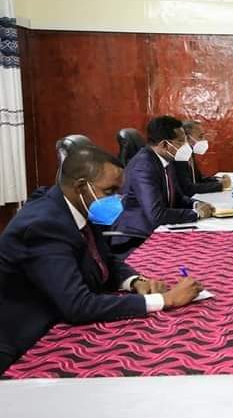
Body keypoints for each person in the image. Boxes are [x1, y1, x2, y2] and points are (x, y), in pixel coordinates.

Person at [0, 145, 203, 374]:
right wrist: (164, 300)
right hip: (26, 344)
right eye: (110, 191)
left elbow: (105, 259)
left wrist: (135, 281)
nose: (117, 199)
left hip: (60, 324)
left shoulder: (77, 206)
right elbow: (78, 305)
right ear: (80, 187)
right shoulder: (43, 226)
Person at [112, 115, 214, 254]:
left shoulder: (166, 160)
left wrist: (196, 204)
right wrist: (196, 213)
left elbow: (177, 197)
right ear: (164, 145)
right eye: (181, 142)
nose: (185, 146)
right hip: (137, 238)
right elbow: (157, 214)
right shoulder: (144, 166)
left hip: (161, 229)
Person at [175, 120, 231, 196]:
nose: (204, 140)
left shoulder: (190, 153)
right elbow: (188, 188)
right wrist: (220, 186)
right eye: (200, 137)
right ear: (187, 138)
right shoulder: (179, 158)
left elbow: (198, 179)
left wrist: (219, 180)